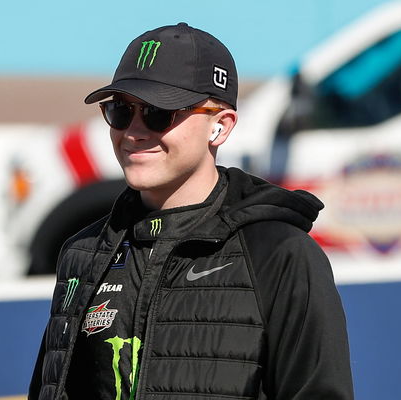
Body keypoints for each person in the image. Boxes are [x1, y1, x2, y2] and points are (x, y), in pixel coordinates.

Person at [29, 23, 354, 400]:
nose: (133, 131)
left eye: (156, 112)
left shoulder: (281, 253)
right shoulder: (82, 253)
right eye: (120, 110)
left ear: (220, 125)